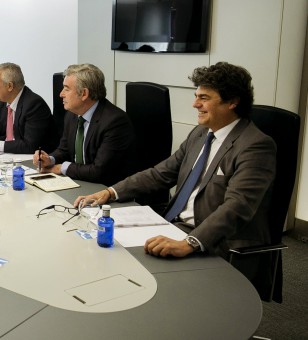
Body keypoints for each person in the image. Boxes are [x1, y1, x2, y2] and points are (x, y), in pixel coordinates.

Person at [74, 62, 276, 281]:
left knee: (134, 274)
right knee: (104, 252)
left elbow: (237, 207)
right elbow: (160, 173)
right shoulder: (200, 134)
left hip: (215, 242)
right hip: (176, 226)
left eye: (204, 98)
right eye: (196, 96)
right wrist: (111, 192)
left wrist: (189, 243)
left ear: (233, 102)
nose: (195, 104)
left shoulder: (255, 146)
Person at [34, 64, 136, 185]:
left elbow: (99, 171)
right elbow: (64, 149)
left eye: (66, 89)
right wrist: (49, 159)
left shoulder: (114, 122)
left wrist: (60, 168)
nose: (61, 94)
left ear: (84, 94)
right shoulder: (72, 115)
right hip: (78, 181)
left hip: (105, 189)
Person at [0, 62, 58, 154]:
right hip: (7, 156)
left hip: (32, 160)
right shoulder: (1, 102)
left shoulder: (34, 104)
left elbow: (29, 145)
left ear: (10, 86)